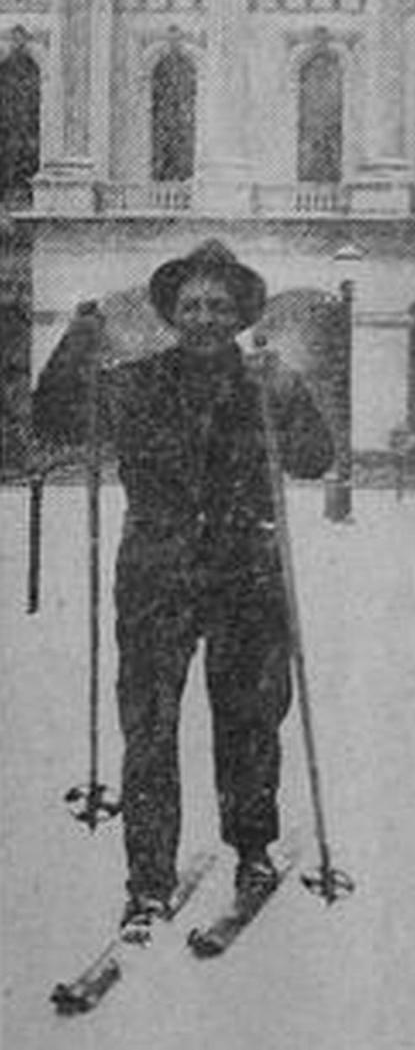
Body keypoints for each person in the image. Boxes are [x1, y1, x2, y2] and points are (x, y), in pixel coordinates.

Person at [33, 239, 335, 940]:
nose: (203, 316)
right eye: (191, 305)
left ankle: (253, 850)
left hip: (245, 575)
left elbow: (315, 460)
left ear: (239, 315)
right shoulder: (131, 381)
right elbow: (52, 421)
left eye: (218, 306)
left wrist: (289, 390)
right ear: (171, 312)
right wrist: (76, 344)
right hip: (157, 576)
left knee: (251, 721)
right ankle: (147, 881)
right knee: (149, 728)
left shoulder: (265, 381)